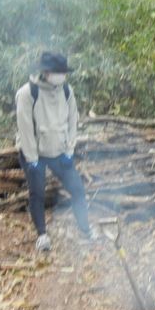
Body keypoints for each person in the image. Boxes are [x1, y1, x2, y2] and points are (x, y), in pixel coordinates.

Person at [15, 52, 93, 252]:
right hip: (35, 152)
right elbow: (25, 130)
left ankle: (85, 229)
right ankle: (42, 236)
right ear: (46, 72)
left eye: (64, 73)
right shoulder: (27, 93)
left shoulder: (67, 90)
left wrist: (69, 150)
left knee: (77, 188)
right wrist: (32, 159)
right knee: (37, 193)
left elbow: (72, 121)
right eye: (59, 72)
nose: (63, 76)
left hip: (59, 150)